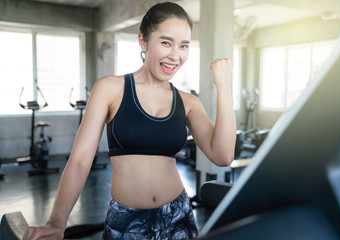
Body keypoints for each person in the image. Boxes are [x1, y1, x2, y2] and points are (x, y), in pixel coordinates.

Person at [22, 2, 236, 240]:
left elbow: (223, 155)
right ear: (143, 42)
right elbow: (80, 161)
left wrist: (223, 86)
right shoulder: (110, 89)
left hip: (179, 218)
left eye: (183, 45)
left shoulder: (188, 102)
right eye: (166, 42)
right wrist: (56, 223)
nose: (175, 55)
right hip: (127, 221)